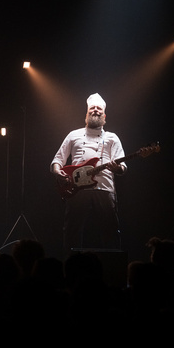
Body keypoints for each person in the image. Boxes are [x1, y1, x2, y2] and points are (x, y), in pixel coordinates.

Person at [50, 93, 126, 254]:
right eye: (92, 108)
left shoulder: (112, 137)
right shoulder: (73, 135)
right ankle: (69, 264)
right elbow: (57, 160)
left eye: (99, 109)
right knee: (72, 231)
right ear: (87, 113)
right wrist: (58, 173)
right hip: (76, 189)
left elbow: (123, 166)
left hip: (104, 189)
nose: (96, 111)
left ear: (104, 115)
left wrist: (116, 168)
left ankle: (112, 268)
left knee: (110, 231)